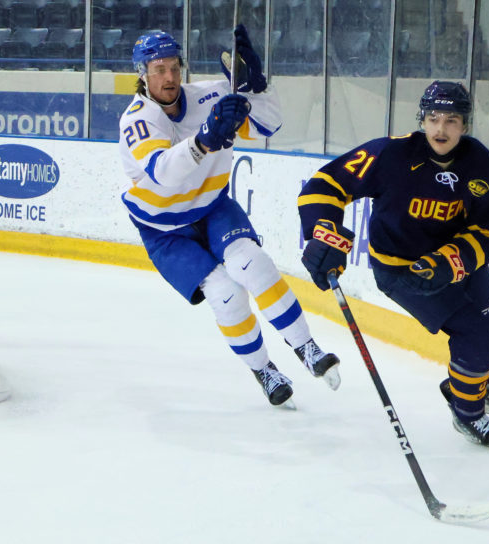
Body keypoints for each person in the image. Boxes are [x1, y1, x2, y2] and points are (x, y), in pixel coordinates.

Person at [297, 81, 489, 448]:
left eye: (452, 120)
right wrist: (324, 232)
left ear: (465, 125)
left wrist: (452, 260)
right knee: (476, 336)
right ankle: (466, 412)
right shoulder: (391, 155)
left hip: (456, 262)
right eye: (433, 118)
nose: (440, 129)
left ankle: (486, 389)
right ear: (421, 119)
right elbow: (325, 185)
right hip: (401, 271)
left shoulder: (485, 168)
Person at [118, 28, 340, 408]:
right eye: (159, 69)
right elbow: (164, 171)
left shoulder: (211, 95)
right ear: (143, 74)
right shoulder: (138, 119)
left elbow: (269, 125)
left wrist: (258, 88)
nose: (169, 77)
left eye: (174, 67)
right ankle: (263, 369)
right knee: (225, 294)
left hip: (212, 206)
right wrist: (204, 140)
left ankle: (306, 347)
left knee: (253, 264)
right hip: (163, 229)